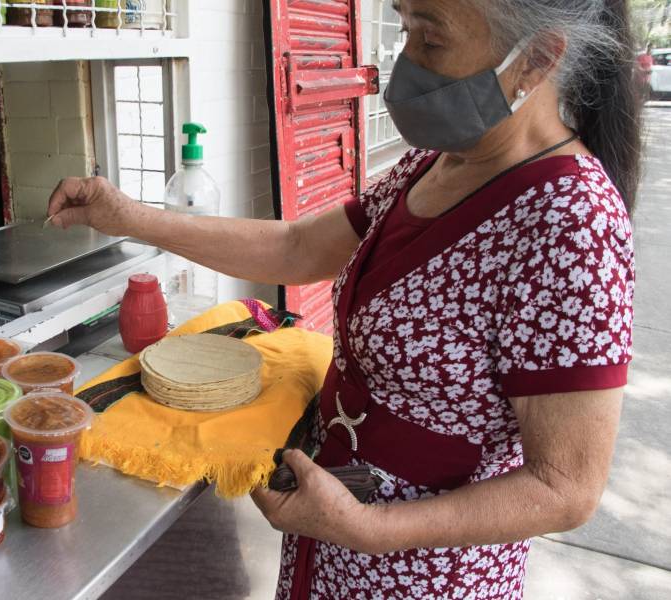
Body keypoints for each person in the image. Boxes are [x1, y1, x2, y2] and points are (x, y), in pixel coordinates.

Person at [46, 0, 640, 597]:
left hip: (425, 577)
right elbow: (299, 248)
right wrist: (130, 217)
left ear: (537, 59)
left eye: (431, 42)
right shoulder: (433, 165)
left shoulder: (570, 222)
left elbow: (565, 486)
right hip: (332, 533)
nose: (406, 64)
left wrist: (371, 529)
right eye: (405, 32)